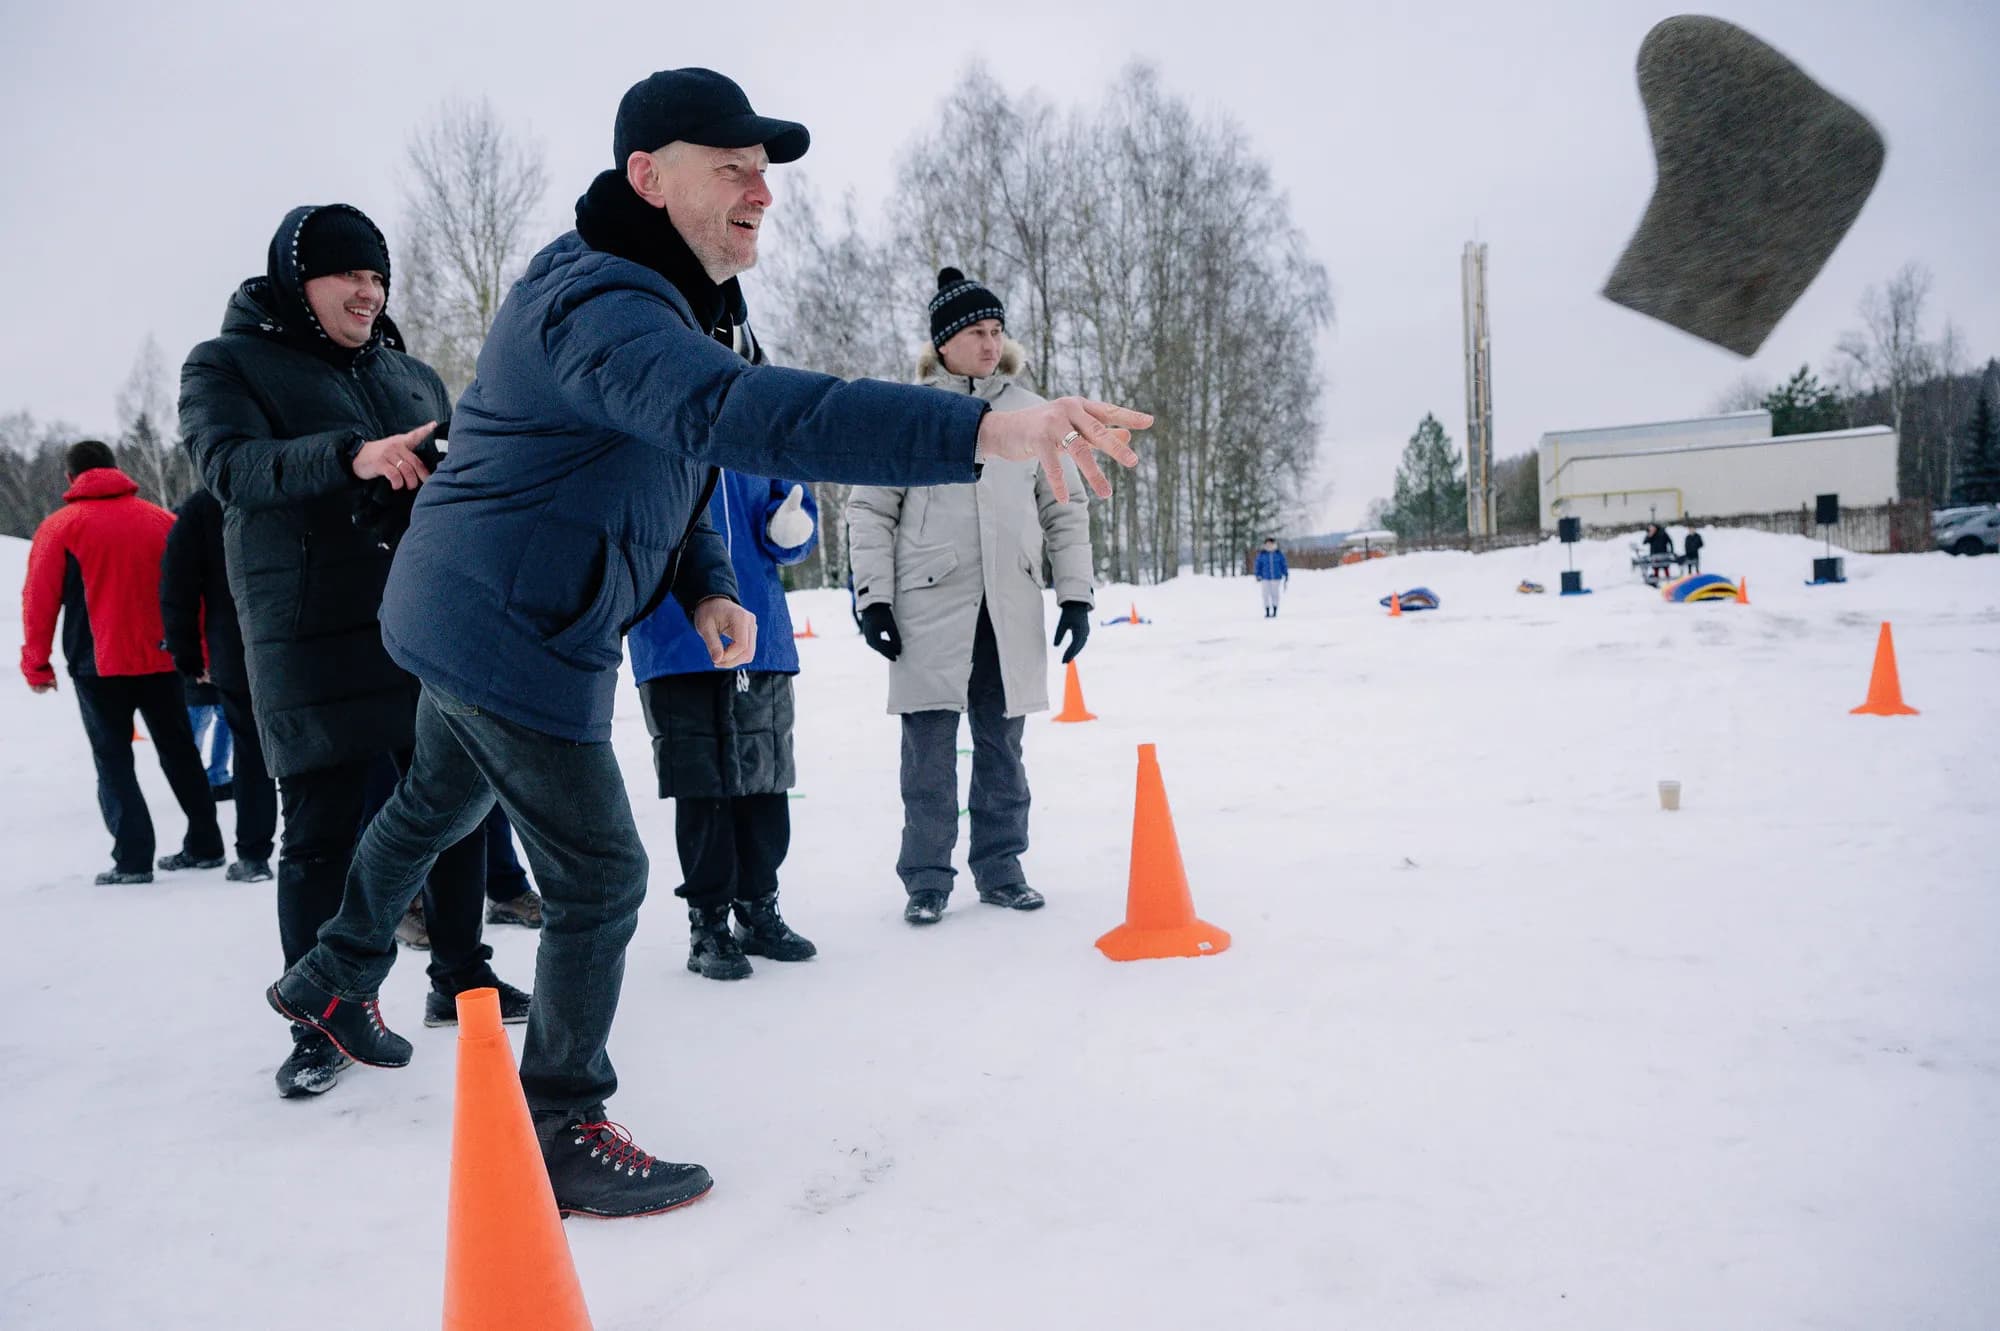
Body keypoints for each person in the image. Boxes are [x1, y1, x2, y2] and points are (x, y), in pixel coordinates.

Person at [263, 68, 1146, 1221]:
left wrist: (707, 583)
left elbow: (670, 465)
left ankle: (331, 977)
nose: (759, 192)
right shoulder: (601, 303)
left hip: (483, 606)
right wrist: (986, 426)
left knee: (435, 801)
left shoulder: (665, 302)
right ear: (648, 176)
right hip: (506, 625)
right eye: (729, 169)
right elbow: (756, 415)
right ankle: (560, 1123)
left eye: (764, 173)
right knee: (602, 872)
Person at [179, 202, 526, 1099]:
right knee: (323, 830)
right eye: (349, 275)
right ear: (301, 281)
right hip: (306, 633)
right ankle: (323, 1014)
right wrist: (352, 457)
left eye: (379, 277)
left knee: (451, 808)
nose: (369, 291)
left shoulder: (412, 375)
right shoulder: (226, 364)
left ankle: (462, 974)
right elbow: (232, 471)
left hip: (421, 620)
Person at [848, 269, 1094, 927]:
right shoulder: (909, 412)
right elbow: (870, 509)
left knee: (1003, 751)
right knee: (927, 755)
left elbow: (1065, 510)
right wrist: (873, 600)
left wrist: (1076, 596)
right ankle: (926, 879)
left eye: (996, 331)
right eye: (976, 332)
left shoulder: (1029, 411)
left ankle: (1002, 868)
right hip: (928, 610)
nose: (990, 344)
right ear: (945, 341)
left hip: (1007, 608)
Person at [629, 465, 820, 980]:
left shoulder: (761, 422)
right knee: (700, 784)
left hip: (761, 632)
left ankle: (759, 907)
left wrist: (792, 530)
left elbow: (796, 514)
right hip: (673, 635)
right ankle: (708, 921)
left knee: (765, 780)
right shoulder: (658, 415)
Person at [19, 441, 224, 884]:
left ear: (72, 477)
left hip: (98, 666)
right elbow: (194, 592)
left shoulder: (60, 527)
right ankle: (206, 845)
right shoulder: (161, 520)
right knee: (181, 751)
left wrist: (36, 665)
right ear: (116, 468)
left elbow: (38, 600)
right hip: (164, 658)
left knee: (113, 760)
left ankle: (132, 859)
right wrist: (201, 655)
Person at [159, 485, 276, 880]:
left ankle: (255, 854)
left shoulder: (202, 507)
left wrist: (187, 653)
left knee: (251, 752)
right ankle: (319, 848)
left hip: (237, 649)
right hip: (302, 640)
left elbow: (178, 586)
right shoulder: (296, 482)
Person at [1254, 536, 1289, 618]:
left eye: (1271, 543)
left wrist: (1286, 574)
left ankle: (1275, 610)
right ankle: (1267, 610)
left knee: (1275, 594)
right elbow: (1258, 565)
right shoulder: (1262, 554)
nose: (1269, 545)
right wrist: (1257, 574)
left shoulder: (1278, 554)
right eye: (1267, 544)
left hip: (1276, 577)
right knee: (1265, 594)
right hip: (1265, 578)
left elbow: (1283, 565)